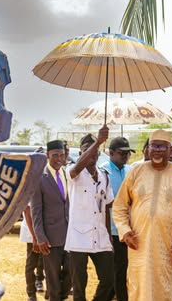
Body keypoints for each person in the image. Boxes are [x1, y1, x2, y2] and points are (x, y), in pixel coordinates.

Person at [113, 129, 172, 301]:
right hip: (139, 245)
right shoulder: (136, 172)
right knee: (139, 288)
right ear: (148, 149)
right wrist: (125, 231)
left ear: (170, 150)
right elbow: (119, 206)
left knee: (166, 289)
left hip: (168, 248)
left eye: (162, 147)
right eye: (154, 146)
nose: (157, 150)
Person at [65, 127, 114, 301]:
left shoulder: (104, 176)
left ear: (99, 154)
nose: (92, 152)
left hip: (100, 236)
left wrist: (108, 236)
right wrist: (98, 141)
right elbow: (77, 168)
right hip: (79, 237)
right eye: (87, 149)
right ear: (81, 152)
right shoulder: (72, 171)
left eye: (95, 150)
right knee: (79, 286)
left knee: (110, 280)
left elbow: (107, 208)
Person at [31, 140, 71, 301]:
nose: (59, 159)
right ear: (48, 155)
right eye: (55, 155)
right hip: (50, 238)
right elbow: (36, 211)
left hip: (70, 235)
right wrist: (40, 237)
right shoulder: (39, 177)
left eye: (61, 155)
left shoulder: (67, 174)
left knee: (70, 274)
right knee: (53, 281)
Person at [100, 136, 135, 301]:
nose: (125, 157)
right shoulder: (103, 171)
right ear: (111, 153)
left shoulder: (130, 170)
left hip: (129, 231)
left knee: (125, 272)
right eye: (122, 153)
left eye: (128, 153)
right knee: (115, 273)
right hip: (111, 231)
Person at [21, 205, 45, 301]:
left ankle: (40, 281)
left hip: (44, 231)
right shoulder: (29, 190)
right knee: (31, 264)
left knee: (44, 261)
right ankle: (31, 294)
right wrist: (35, 237)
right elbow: (27, 212)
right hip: (31, 231)